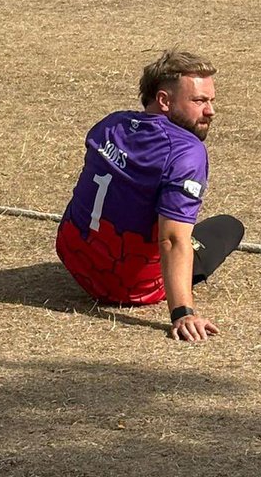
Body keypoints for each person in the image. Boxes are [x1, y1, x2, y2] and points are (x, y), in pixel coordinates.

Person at [56, 50, 244, 343]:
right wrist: (182, 312)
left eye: (211, 101)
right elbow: (171, 240)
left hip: (73, 257)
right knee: (228, 226)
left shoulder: (111, 124)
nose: (210, 111)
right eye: (199, 101)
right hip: (127, 286)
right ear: (164, 100)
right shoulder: (186, 152)